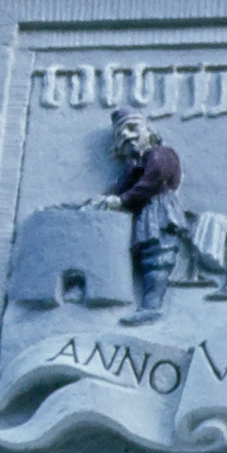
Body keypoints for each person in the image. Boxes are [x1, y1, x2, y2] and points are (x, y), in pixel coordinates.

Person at [83, 104, 186, 320]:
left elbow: (153, 180)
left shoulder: (160, 154)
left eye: (132, 128)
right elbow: (122, 186)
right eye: (120, 135)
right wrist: (102, 200)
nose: (127, 137)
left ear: (149, 130)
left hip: (160, 211)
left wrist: (122, 200)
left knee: (159, 256)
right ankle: (149, 304)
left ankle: (152, 307)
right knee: (147, 257)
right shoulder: (134, 167)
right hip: (145, 215)